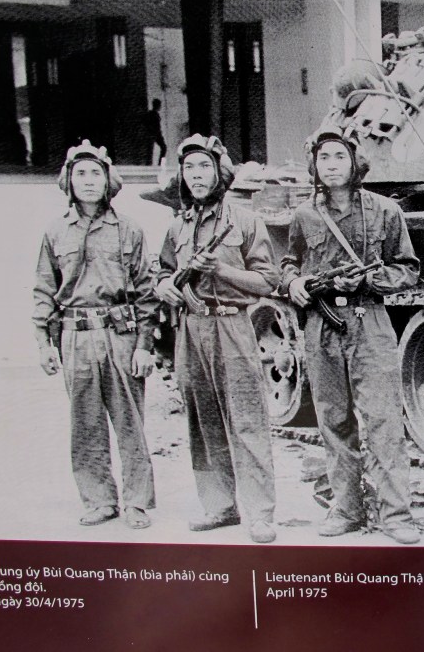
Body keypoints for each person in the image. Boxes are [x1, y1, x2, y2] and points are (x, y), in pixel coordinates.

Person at [281, 130, 422, 545]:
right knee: (333, 419)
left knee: (382, 419)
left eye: (339, 156)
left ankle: (396, 513)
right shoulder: (305, 215)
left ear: (354, 162)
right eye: (324, 157)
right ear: (315, 166)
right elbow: (288, 262)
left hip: (369, 319)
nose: (331, 164)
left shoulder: (385, 211)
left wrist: (377, 279)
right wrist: (294, 283)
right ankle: (346, 507)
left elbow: (408, 267)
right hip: (322, 325)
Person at [154, 134, 280, 544]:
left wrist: (222, 271)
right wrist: (164, 287)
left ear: (219, 172)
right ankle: (220, 506)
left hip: (232, 325)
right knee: (203, 421)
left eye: (203, 166)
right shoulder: (177, 225)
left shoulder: (243, 221)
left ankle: (260, 513)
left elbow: (267, 280)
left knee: (247, 420)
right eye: (189, 167)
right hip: (192, 328)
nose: (196, 175)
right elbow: (162, 271)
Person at [32, 140, 158, 530]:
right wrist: (43, 343)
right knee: (84, 424)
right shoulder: (55, 232)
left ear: (109, 181)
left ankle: (137, 502)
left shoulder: (129, 229)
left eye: (96, 173)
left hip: (120, 336)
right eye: (80, 174)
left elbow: (147, 293)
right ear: (68, 181)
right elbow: (43, 289)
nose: (88, 181)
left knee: (130, 422)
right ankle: (99, 499)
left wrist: (144, 345)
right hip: (74, 337)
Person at [145, 98, 166, 165]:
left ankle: (159, 163)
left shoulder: (154, 114)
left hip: (156, 134)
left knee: (163, 147)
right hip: (153, 134)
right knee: (150, 150)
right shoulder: (151, 114)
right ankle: (149, 164)